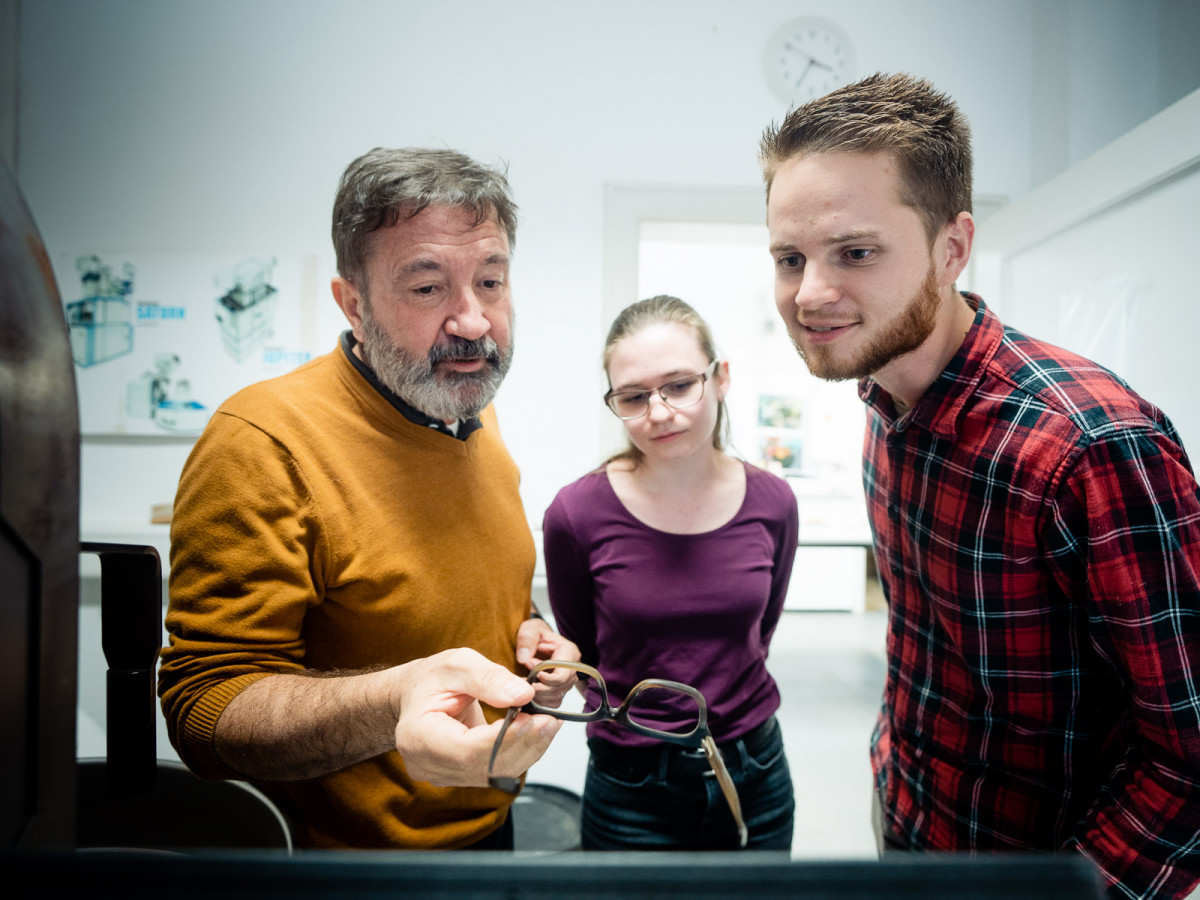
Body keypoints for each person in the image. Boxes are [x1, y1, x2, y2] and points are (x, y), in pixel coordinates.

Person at [759, 72, 1200, 897]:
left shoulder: (1091, 446)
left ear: (953, 247)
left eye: (855, 252)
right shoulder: (881, 393)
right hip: (909, 815)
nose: (809, 294)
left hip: (1034, 870)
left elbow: (1190, 750)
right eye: (790, 257)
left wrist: (1067, 890)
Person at [158, 147, 578, 851]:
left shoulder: (465, 409)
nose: (472, 321)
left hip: (490, 820)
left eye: (491, 281)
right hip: (343, 865)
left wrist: (530, 633)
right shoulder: (261, 442)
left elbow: (450, 587)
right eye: (426, 288)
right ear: (354, 304)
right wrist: (394, 700)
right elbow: (205, 710)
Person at [542, 295, 799, 850]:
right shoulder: (576, 514)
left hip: (753, 768)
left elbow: (761, 632)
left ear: (720, 378)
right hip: (631, 781)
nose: (659, 413)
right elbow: (583, 647)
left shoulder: (773, 502)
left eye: (680, 385)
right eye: (634, 397)